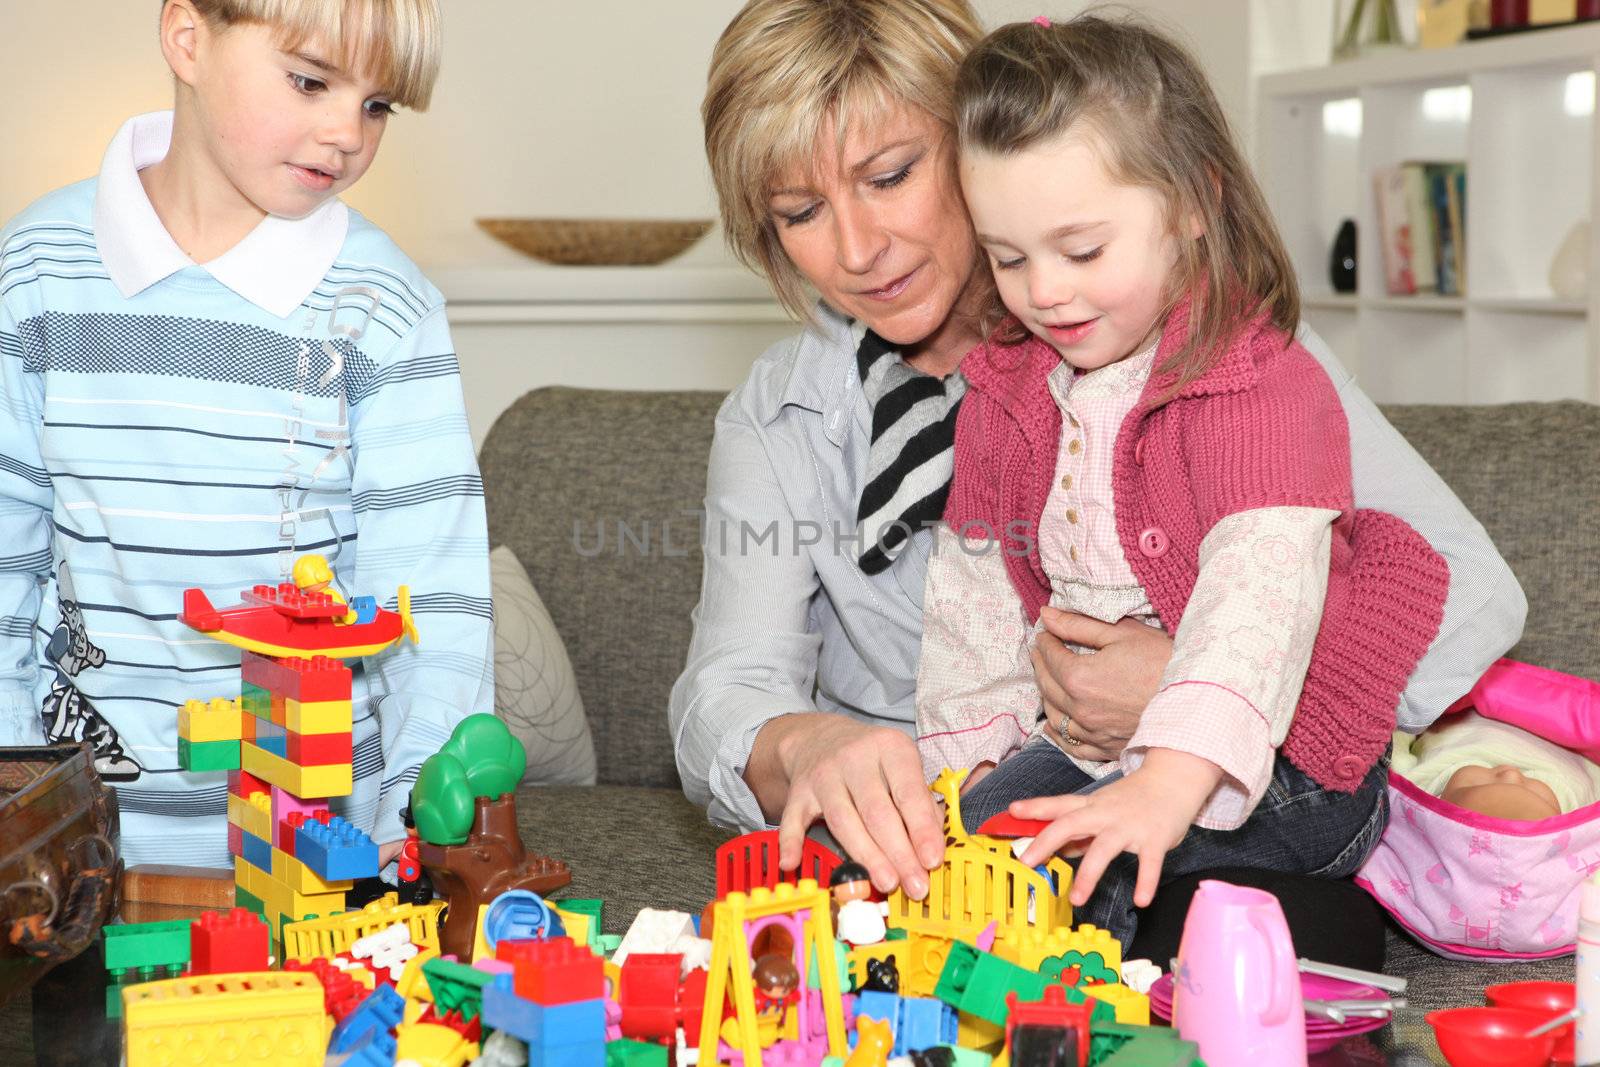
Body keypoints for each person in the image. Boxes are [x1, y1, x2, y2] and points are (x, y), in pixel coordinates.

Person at [673, 0, 1525, 904]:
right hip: (956, 808)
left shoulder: (1220, 347)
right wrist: (806, 743)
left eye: (890, 175)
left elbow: (1473, 588)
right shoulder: (781, 414)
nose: (856, 248)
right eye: (801, 211)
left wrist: (1202, 686)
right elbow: (724, 689)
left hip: (1225, 790)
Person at [915, 13, 1450, 945]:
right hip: (1096, 750)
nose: (1043, 290)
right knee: (964, 857)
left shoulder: (1259, 382)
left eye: (1081, 251)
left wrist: (1167, 777)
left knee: (1094, 874)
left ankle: (1247, 932)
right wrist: (961, 775)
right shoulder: (1004, 393)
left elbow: (1259, 595)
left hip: (1294, 764)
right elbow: (974, 597)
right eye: (1008, 258)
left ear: (1193, 203)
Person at [0, 0, 492, 869]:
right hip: (75, 848)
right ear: (187, 38)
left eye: (378, 106)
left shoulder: (387, 305)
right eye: (310, 81)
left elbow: (432, 599)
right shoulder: (37, 269)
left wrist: (420, 828)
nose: (347, 133)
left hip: (324, 852)